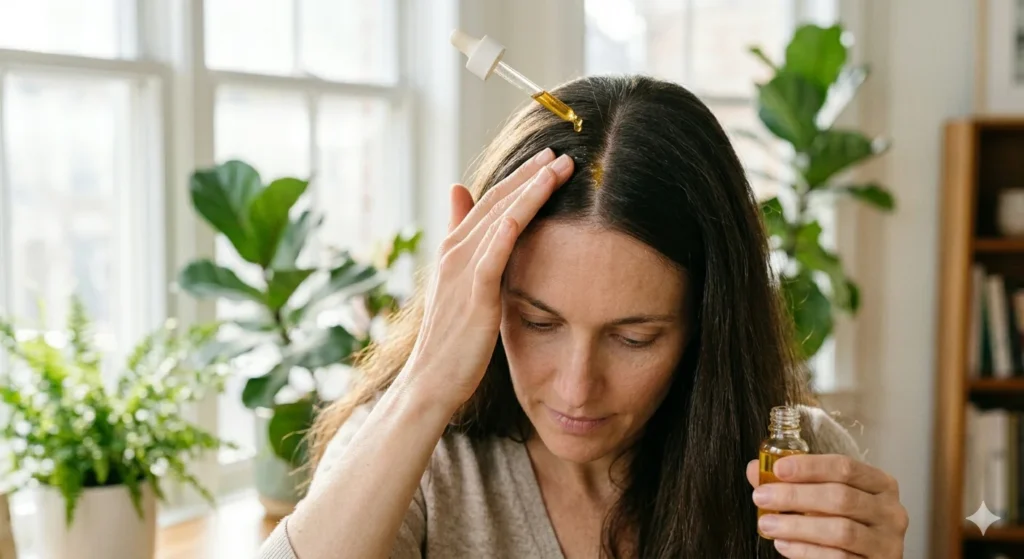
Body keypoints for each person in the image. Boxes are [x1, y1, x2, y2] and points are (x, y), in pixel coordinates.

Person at [258, 75, 908, 559]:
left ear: (707, 324)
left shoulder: (794, 459)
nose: (576, 387)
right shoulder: (414, 462)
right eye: (538, 321)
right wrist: (427, 380)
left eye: (634, 337)